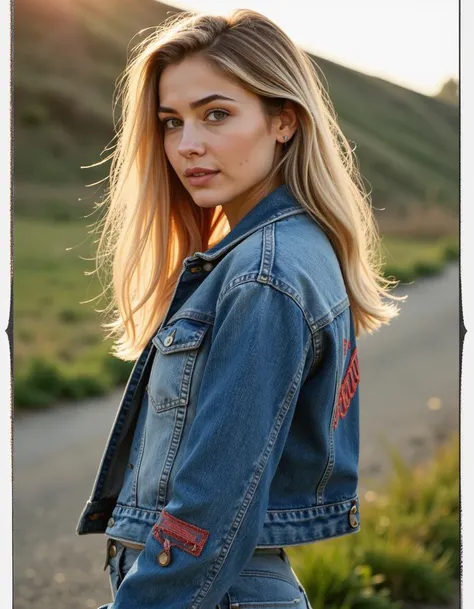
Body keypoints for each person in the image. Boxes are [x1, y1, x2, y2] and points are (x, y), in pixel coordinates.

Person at [76, 8, 404, 609]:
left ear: (284, 121)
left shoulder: (263, 273)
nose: (187, 146)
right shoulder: (275, 250)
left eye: (216, 114)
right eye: (171, 122)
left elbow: (210, 512)